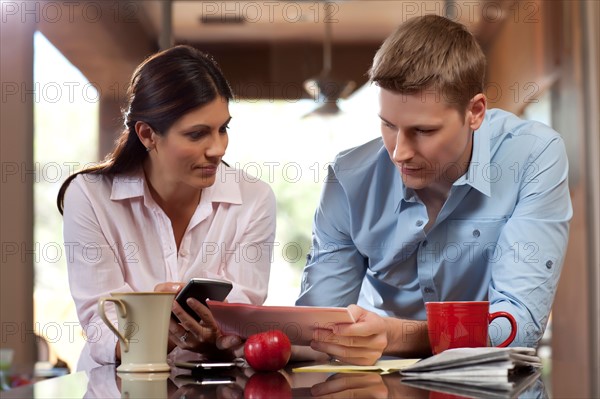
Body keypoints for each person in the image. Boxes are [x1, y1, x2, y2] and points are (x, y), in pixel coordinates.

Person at [296, 15, 572, 365]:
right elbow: (316, 327)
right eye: (388, 125)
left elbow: (519, 326)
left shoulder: (533, 156)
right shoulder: (349, 179)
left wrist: (397, 335)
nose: (399, 152)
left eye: (423, 131)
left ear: (475, 112)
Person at [58, 45, 276, 371]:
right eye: (197, 134)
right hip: (118, 385)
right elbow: (99, 324)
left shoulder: (254, 198)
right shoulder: (89, 196)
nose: (217, 148)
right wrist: (162, 329)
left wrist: (217, 336)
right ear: (147, 134)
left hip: (212, 385)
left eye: (223, 129)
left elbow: (242, 314)